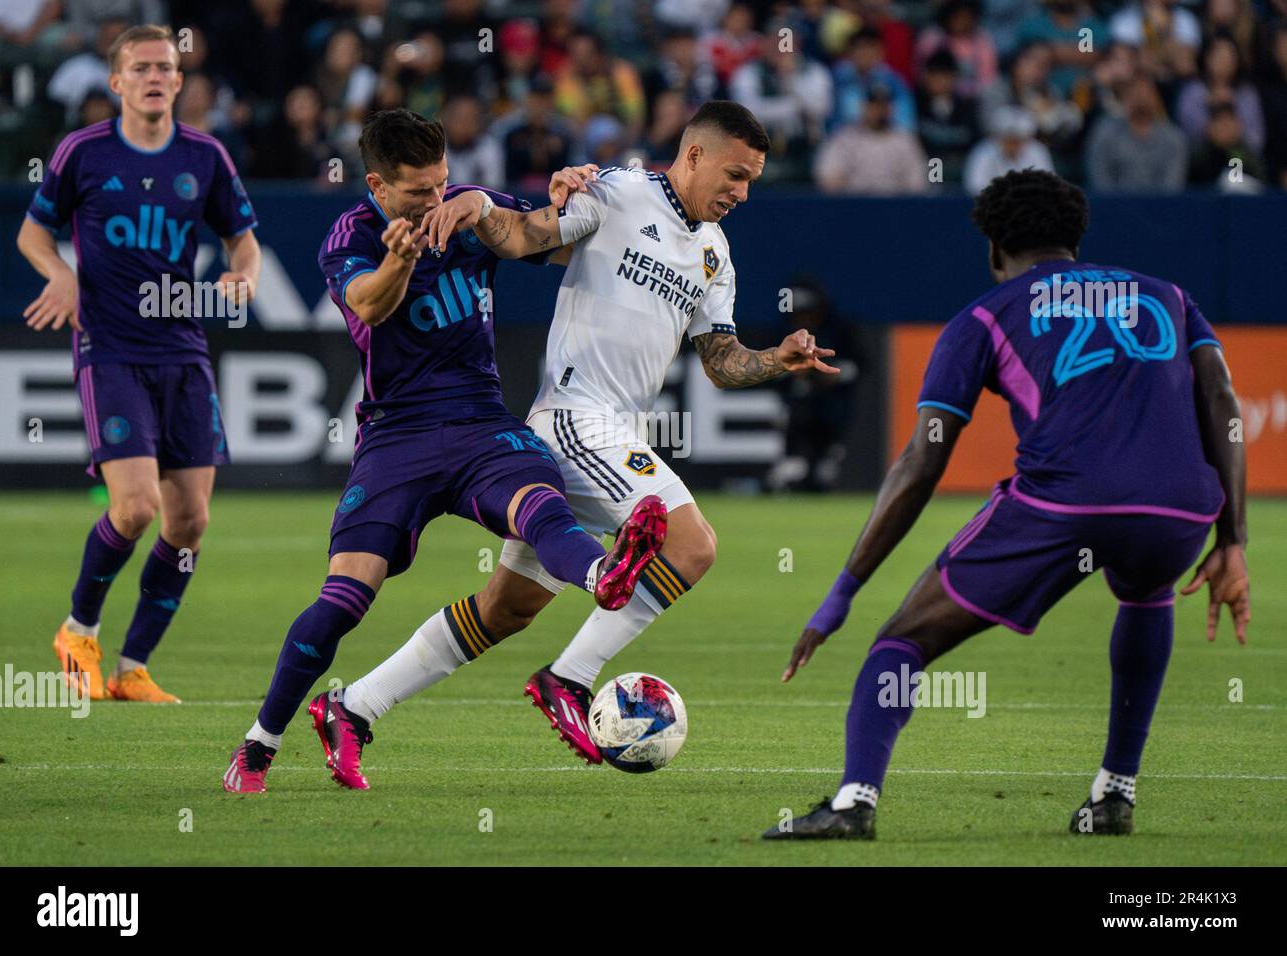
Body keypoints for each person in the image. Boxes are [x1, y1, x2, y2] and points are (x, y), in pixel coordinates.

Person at [328, 101, 839, 777]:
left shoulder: (714, 252)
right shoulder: (621, 192)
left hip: (610, 431)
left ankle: (354, 707)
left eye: (751, 181)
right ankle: (568, 680)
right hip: (573, 415)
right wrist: (478, 201)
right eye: (735, 174)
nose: (742, 193)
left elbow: (719, 360)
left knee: (506, 608)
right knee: (692, 544)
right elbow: (519, 236)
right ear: (693, 155)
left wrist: (779, 357)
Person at [763, 169, 1249, 841]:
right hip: (1182, 510)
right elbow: (1223, 406)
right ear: (1077, 240)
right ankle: (1113, 795)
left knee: (901, 641)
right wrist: (1233, 540)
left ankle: (852, 805)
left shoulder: (985, 317)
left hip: (1064, 504)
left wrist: (844, 590)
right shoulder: (1168, 296)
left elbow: (921, 460)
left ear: (994, 250)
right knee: (1145, 593)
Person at [222, 109, 664, 794]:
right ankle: (259, 745)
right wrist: (399, 258)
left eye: (443, 184)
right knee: (344, 599)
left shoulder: (464, 212)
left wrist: (563, 190)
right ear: (377, 184)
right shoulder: (354, 235)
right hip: (397, 437)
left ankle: (605, 574)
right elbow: (367, 306)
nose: (435, 200)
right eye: (420, 192)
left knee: (542, 506)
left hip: (481, 423)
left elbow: (546, 238)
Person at [17, 23, 260, 703]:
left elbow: (245, 243)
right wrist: (59, 274)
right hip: (111, 348)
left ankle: (133, 668)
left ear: (179, 82)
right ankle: (78, 629)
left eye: (165, 67)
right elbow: (32, 232)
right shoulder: (83, 153)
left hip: (182, 348)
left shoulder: (206, 156)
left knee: (190, 522)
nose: (155, 77)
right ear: (117, 83)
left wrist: (244, 276)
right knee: (135, 506)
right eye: (141, 68)